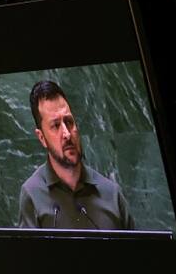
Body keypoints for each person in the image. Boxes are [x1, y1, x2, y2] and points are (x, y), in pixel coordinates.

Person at [18, 80, 134, 230]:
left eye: (69, 122)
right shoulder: (32, 194)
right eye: (56, 126)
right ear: (42, 138)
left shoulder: (112, 194)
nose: (66, 133)